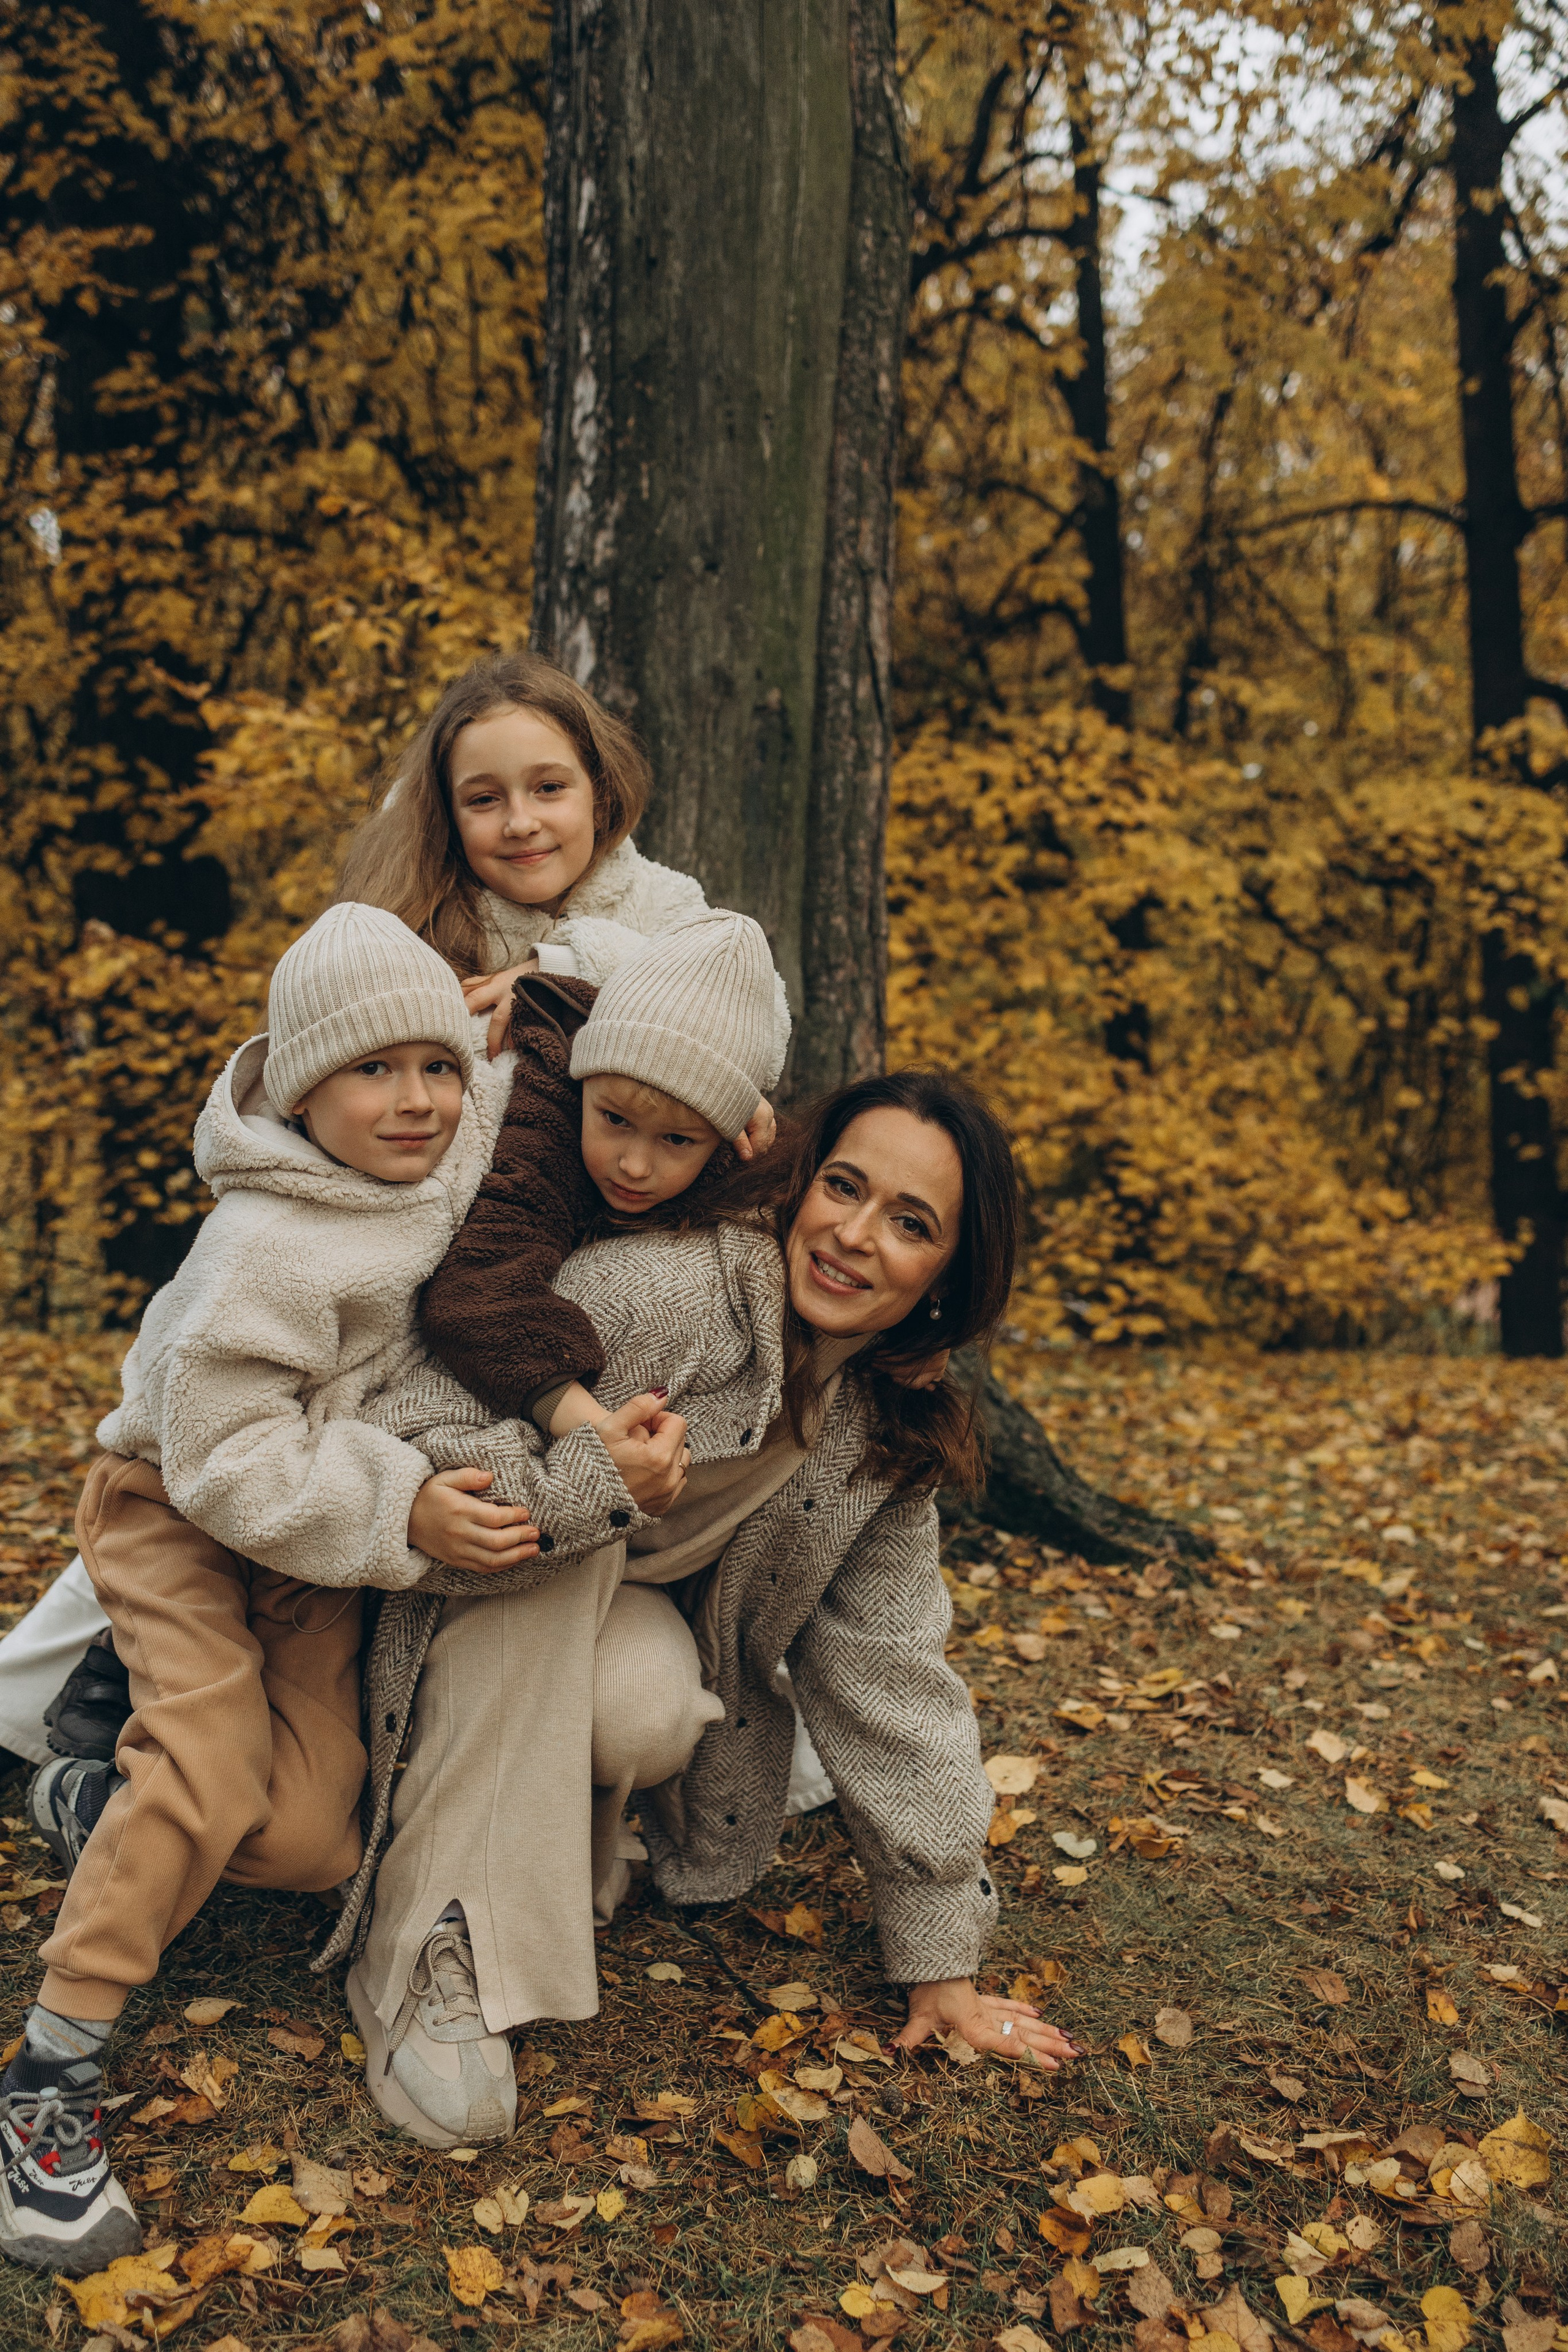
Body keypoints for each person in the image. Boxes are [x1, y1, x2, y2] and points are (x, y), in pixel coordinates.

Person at [0, 647, 767, 1767]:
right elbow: (329, 1080)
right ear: (447, 818)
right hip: (387, 1247)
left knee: (373, 1483)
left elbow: (734, 1017)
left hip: (539, 1265)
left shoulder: (670, 916)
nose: (520, 822)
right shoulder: (408, 928)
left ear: (602, 789)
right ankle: (68, 1696)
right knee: (209, 1437)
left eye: (548, 787)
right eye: (483, 798)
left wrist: (568, 969)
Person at [323, 1068, 1081, 2149]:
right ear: (800, 1184)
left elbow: (893, 1680)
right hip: (424, 1603)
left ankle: (552, 1861)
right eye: (844, 1187)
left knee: (653, 1709)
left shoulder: (880, 1432)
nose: (855, 1236)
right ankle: (430, 1944)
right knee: (581, 1537)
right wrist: (589, 1485)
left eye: (909, 1223)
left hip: (592, 1629)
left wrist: (941, 1963)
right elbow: (410, 1429)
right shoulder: (671, 1296)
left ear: (950, 1276)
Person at [0, 904, 543, 2278]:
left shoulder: (448, 1134)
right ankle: (48, 2076)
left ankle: (89, 1800)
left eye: (435, 1063)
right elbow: (229, 1457)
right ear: (302, 1089)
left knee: (310, 1840)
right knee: (211, 1756)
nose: (416, 1098)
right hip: (186, 1512)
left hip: (311, 1537)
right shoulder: (260, 1242)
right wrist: (401, 1503)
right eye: (373, 1071)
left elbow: (555, 1082)